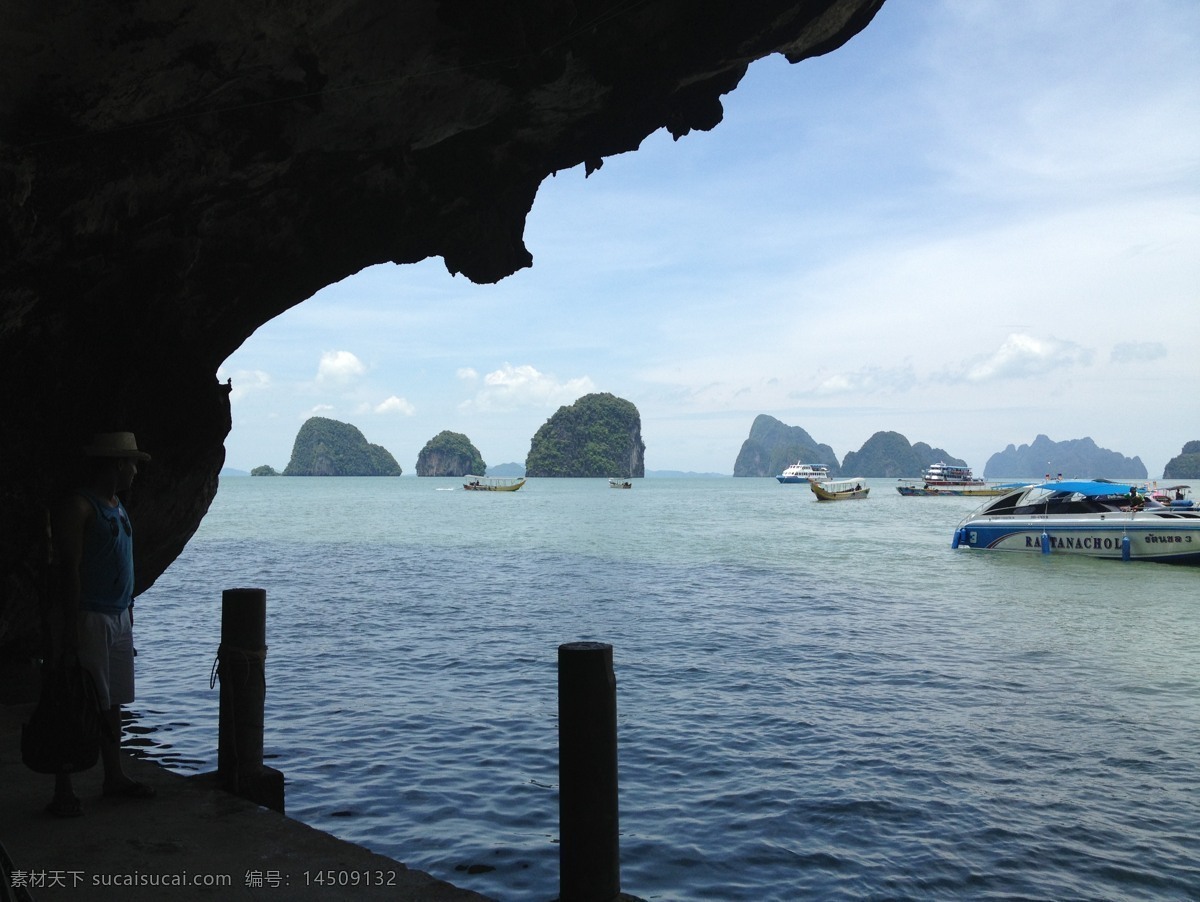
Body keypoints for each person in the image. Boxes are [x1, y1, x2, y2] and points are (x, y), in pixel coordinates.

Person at [46, 431, 157, 817]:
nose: (135, 473)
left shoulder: (117, 506)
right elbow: (69, 570)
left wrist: (129, 613)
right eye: (131, 465)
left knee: (113, 702)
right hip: (89, 616)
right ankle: (64, 787)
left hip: (118, 616)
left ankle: (114, 775)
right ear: (114, 465)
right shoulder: (80, 507)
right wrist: (70, 626)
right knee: (76, 699)